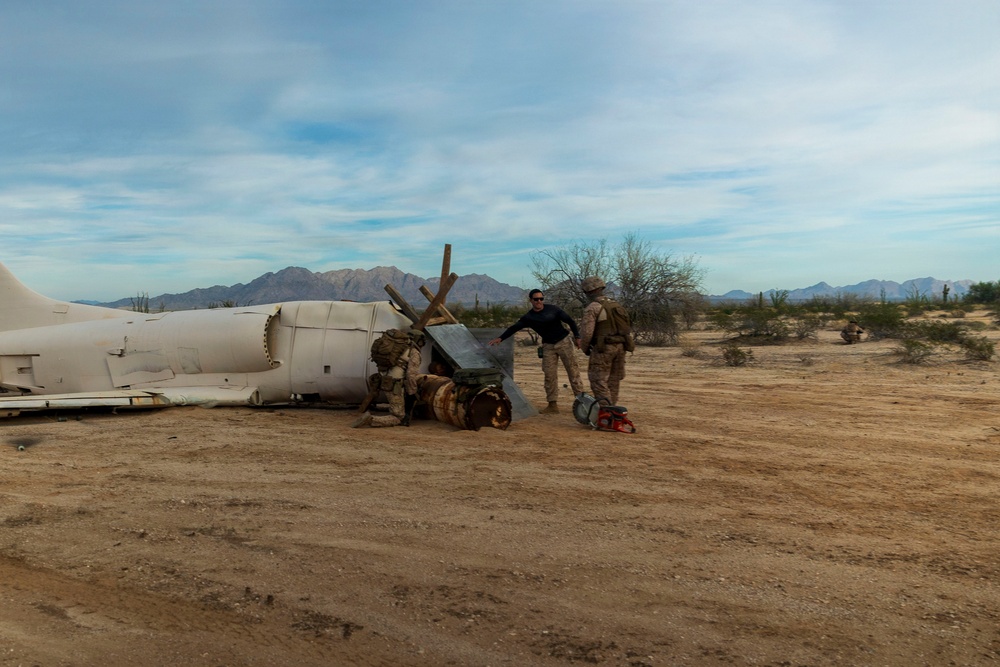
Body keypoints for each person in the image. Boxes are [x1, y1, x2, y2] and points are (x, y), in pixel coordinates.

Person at [488, 289, 584, 414]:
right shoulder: (529, 317)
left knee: (573, 371)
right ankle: (552, 405)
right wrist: (501, 338)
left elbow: (570, 321)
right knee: (549, 375)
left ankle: (582, 402)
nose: (539, 301)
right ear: (531, 300)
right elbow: (514, 328)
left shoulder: (553, 309)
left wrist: (577, 337)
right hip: (548, 346)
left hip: (564, 342)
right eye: (536, 299)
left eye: (541, 298)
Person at [579, 276, 633, 407]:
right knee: (613, 382)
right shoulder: (616, 305)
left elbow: (586, 333)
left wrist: (585, 348)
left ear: (588, 291)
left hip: (603, 349)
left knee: (598, 381)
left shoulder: (593, 307)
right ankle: (613, 412)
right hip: (621, 347)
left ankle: (606, 413)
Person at [353, 329, 424, 427]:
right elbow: (411, 374)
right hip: (394, 384)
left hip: (383, 378)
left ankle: (364, 413)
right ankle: (371, 420)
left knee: (397, 406)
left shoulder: (399, 346)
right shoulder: (414, 352)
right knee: (398, 416)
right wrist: (412, 391)